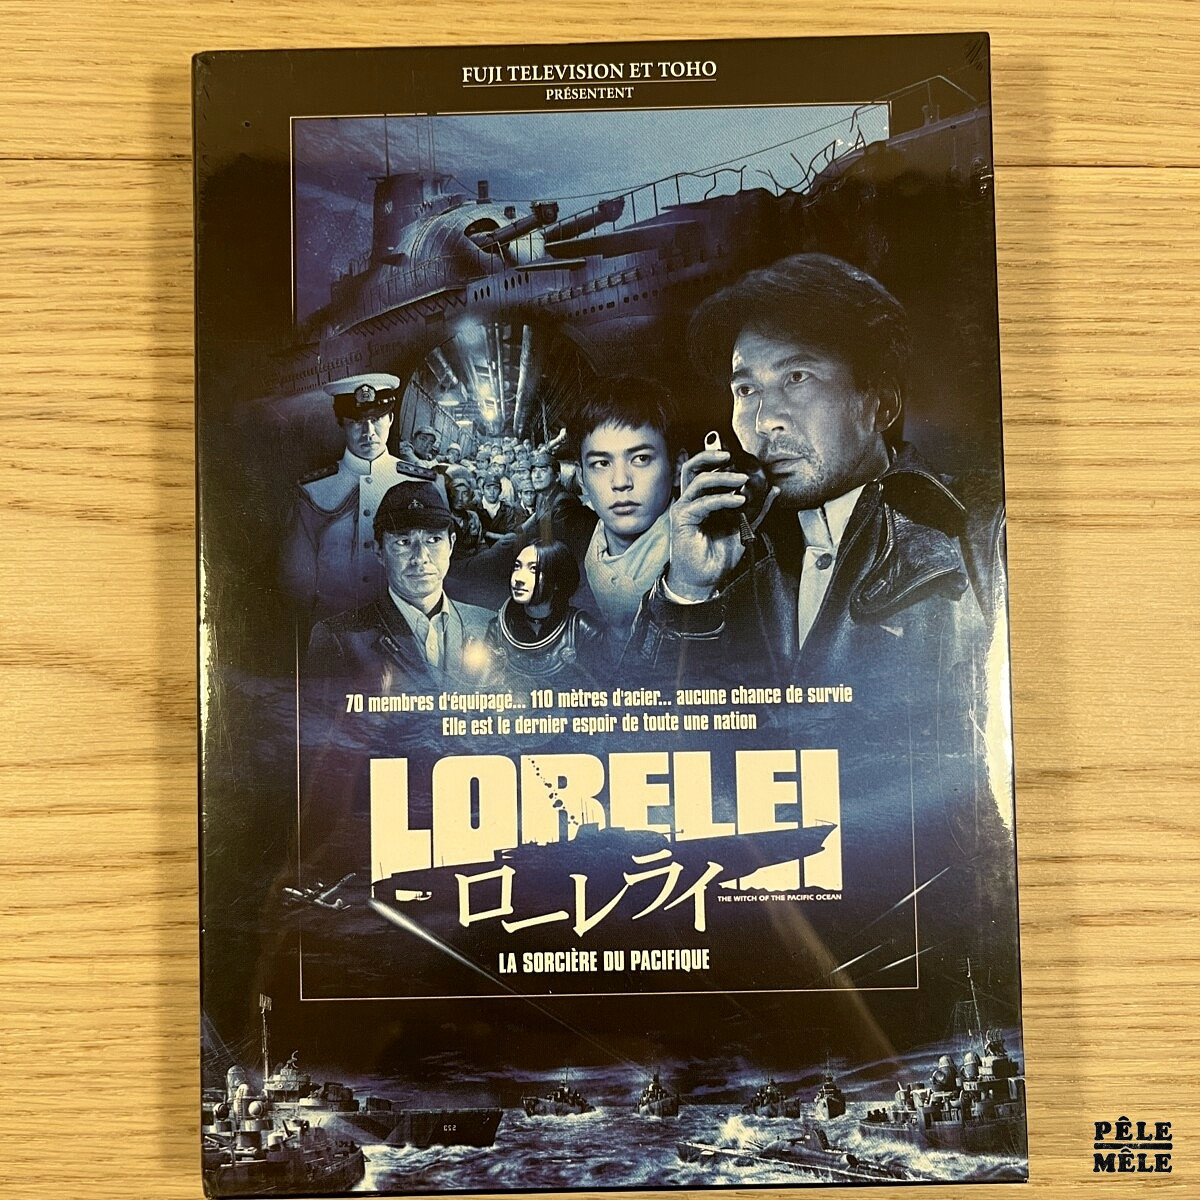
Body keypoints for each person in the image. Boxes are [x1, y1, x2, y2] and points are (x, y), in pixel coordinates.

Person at [625, 253, 1004, 683]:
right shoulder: (726, 551)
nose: (764, 421)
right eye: (746, 389)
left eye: (797, 377)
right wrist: (687, 592)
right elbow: (638, 714)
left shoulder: (988, 537)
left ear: (881, 403)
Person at [305, 481, 492, 689]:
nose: (420, 557)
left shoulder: (491, 627)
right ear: (379, 551)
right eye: (403, 542)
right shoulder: (339, 637)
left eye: (433, 539)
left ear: (451, 544)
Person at [280, 374, 437, 621]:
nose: (369, 432)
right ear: (341, 423)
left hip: (404, 627)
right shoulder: (313, 490)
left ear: (391, 419)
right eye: (356, 422)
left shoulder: (423, 485)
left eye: (376, 419)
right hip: (333, 625)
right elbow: (297, 580)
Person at [572, 376, 683, 639]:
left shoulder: (700, 564)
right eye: (601, 463)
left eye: (641, 458)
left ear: (677, 468)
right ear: (581, 479)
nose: (621, 482)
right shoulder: (584, 553)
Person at [486, 540, 603, 683]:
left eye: (533, 569)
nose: (518, 579)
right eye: (517, 566)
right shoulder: (497, 629)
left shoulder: (582, 630)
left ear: (557, 581)